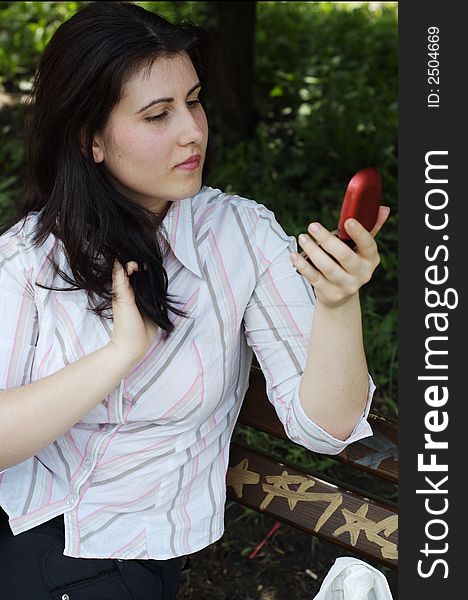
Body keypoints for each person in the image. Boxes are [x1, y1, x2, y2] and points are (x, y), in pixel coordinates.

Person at [0, 2, 390, 598]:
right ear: (91, 139)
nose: (191, 131)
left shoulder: (239, 237)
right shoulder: (31, 257)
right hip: (22, 531)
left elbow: (328, 429)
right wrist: (120, 353)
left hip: (123, 557)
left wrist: (339, 304)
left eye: (194, 100)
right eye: (158, 115)